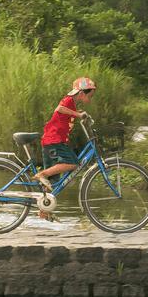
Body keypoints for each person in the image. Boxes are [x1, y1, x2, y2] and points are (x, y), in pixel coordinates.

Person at [29, 77, 96, 216]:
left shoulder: (72, 103)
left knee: (51, 180)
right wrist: (78, 114)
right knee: (73, 163)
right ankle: (42, 174)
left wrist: (79, 114)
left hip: (50, 140)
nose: (90, 99)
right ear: (81, 93)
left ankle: (43, 210)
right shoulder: (69, 100)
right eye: (90, 95)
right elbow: (59, 108)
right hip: (54, 140)